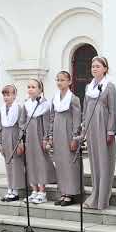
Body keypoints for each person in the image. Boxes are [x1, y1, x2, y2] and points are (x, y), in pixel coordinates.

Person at [83, 56, 116, 210]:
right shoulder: (88, 87)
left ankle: (103, 197)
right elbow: (85, 110)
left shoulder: (109, 86)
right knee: (94, 162)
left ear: (105, 68)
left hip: (103, 127)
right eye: (92, 66)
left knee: (104, 162)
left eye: (97, 66)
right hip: (91, 128)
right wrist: (83, 129)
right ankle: (95, 194)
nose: (94, 68)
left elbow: (112, 110)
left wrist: (110, 130)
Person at [18, 78, 56, 204]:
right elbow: (22, 122)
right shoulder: (26, 104)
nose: (30, 89)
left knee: (41, 163)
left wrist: (46, 138)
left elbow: (48, 123)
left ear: (40, 90)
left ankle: (42, 191)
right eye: (29, 87)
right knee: (31, 163)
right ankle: (34, 190)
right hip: (29, 138)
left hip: (40, 138)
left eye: (33, 87)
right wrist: (21, 138)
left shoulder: (45, 105)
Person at [48, 71, 81, 207]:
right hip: (57, 134)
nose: (59, 82)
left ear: (69, 82)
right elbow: (51, 118)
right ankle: (63, 192)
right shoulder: (54, 98)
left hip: (68, 134)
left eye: (62, 80)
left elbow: (77, 119)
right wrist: (50, 135)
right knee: (60, 163)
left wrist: (75, 137)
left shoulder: (74, 99)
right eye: (58, 80)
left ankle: (71, 193)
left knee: (69, 163)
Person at [0, 84, 25, 202]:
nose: (6, 97)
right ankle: (10, 189)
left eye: (9, 95)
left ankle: (16, 191)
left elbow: (21, 126)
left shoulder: (19, 108)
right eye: (4, 95)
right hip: (5, 139)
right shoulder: (2, 109)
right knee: (8, 165)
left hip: (15, 139)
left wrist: (20, 142)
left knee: (16, 165)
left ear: (14, 95)